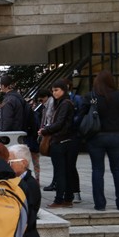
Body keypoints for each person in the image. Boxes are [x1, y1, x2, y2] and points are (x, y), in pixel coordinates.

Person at [79, 70, 119, 211]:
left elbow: (80, 116)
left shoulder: (91, 96)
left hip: (96, 136)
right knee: (118, 169)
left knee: (97, 170)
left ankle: (100, 204)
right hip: (117, 136)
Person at [39, 79, 75, 208]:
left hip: (61, 141)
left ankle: (60, 199)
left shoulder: (64, 104)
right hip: (66, 140)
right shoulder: (62, 103)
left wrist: (45, 130)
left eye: (57, 90)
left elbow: (59, 123)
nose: (54, 93)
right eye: (53, 90)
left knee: (61, 171)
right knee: (67, 171)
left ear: (63, 90)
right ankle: (67, 198)